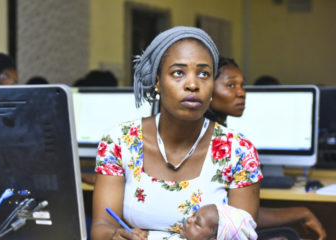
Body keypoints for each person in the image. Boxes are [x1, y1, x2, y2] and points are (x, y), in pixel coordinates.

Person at [91, 26, 262, 240]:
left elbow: (243, 235)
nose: (192, 84)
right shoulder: (119, 141)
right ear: (158, 82)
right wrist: (114, 236)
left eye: (204, 74)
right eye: (178, 73)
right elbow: (101, 225)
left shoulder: (239, 151)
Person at [207, 56, 326, 240]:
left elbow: (240, 212)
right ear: (206, 89)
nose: (242, 93)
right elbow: (243, 218)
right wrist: (301, 212)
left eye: (242, 85)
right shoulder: (217, 144)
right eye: (231, 85)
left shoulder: (220, 136)